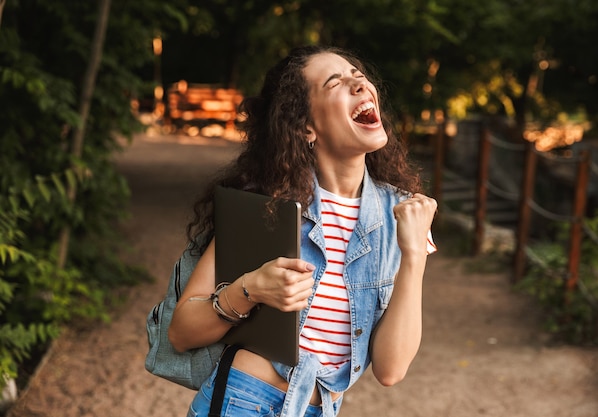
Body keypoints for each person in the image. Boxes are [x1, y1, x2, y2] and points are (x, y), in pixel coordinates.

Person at [168, 44, 438, 417]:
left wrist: (414, 256)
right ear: (306, 126)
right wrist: (252, 288)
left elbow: (391, 371)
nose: (360, 86)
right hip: (242, 400)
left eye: (359, 77)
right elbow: (181, 332)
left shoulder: (404, 216)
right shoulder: (266, 205)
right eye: (336, 83)